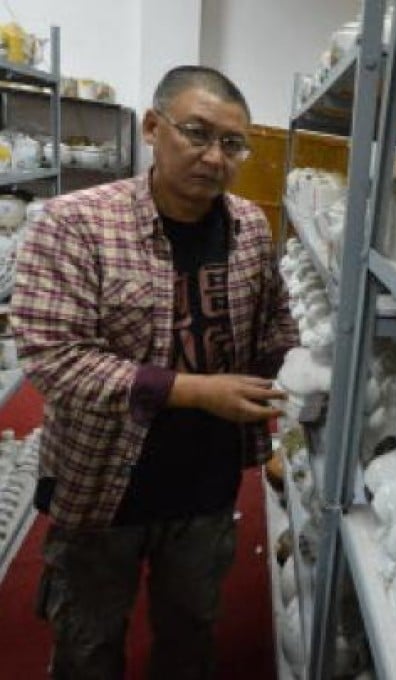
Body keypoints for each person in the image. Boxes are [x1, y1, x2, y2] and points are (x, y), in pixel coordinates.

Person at [11, 65, 298, 679]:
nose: (214, 156)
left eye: (232, 143)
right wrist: (196, 391)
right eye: (196, 132)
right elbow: (54, 358)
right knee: (88, 642)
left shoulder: (249, 227)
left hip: (206, 484)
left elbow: (275, 324)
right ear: (152, 127)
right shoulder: (74, 223)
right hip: (104, 481)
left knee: (191, 633)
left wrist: (301, 375)